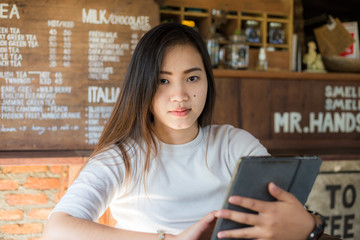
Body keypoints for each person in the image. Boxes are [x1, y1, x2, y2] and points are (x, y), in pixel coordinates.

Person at [43, 22, 322, 240]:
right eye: (163, 80)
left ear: (207, 82)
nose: (180, 95)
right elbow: (57, 230)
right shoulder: (121, 158)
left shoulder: (234, 145)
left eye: (191, 78)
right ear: (142, 87)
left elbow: (288, 212)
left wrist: (310, 225)